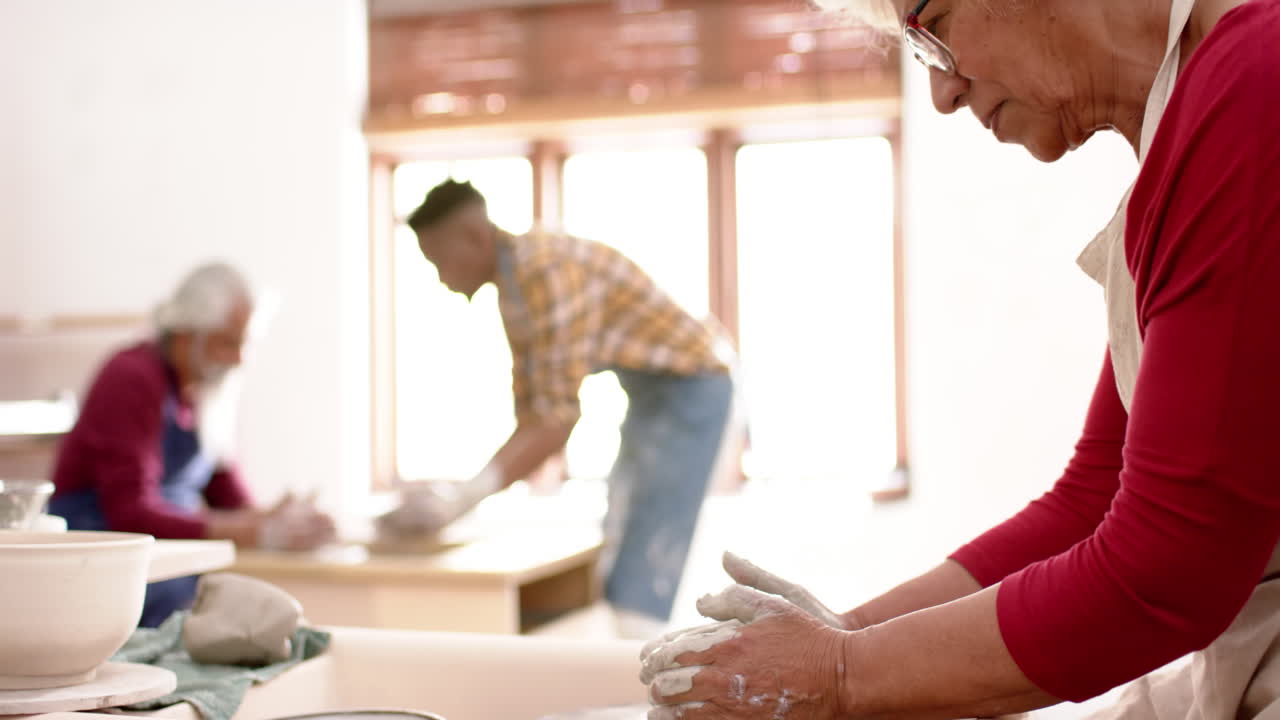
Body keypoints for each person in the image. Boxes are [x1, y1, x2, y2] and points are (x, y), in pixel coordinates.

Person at [642, 0, 1280, 717]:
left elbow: (1164, 572)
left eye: (933, 33)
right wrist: (845, 635)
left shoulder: (1256, 80)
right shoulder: (1186, 138)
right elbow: (1091, 499)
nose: (943, 94)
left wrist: (843, 675)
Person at [378, 180, 736, 639]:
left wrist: (462, 500)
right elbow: (534, 412)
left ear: (475, 235)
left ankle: (641, 685)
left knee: (644, 559)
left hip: (695, 384)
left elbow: (557, 421)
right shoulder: (513, 291)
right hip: (650, 392)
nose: (443, 278)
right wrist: (455, 493)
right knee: (618, 537)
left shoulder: (545, 269)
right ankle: (625, 665)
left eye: (440, 261)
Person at [49, 262, 336, 627]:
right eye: (227, 343)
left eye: (243, 343)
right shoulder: (130, 377)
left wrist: (277, 518)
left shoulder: (210, 390)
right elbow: (130, 512)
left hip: (174, 556)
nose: (239, 358)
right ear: (186, 336)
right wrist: (251, 530)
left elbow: (227, 495)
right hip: (105, 561)